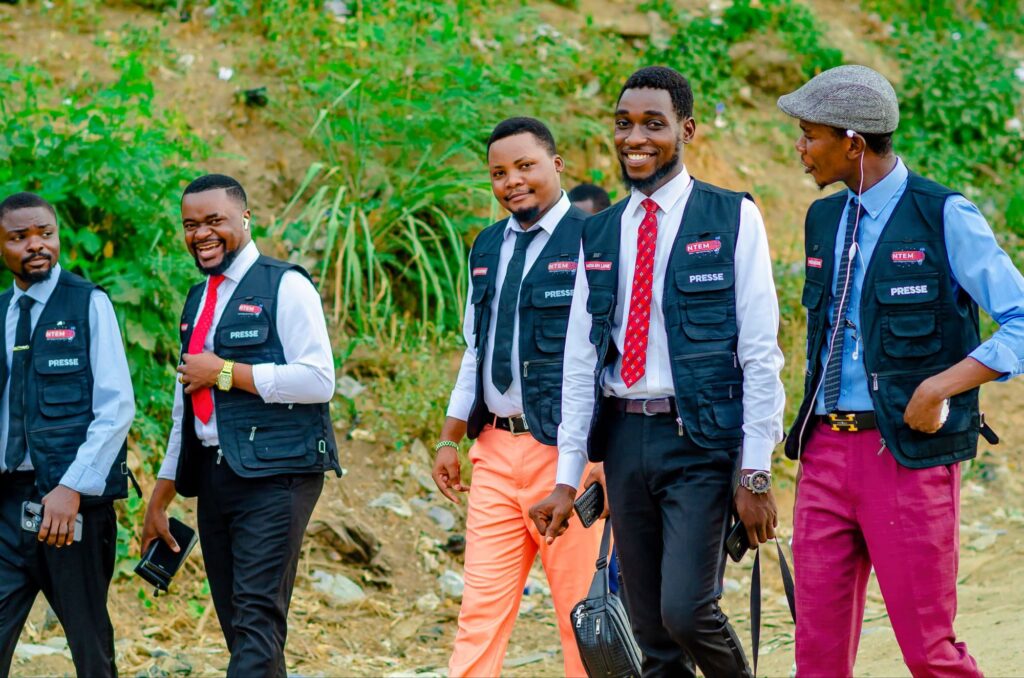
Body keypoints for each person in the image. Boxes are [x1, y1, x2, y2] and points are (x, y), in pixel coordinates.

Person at [532, 66, 785, 677]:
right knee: (650, 630)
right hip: (625, 442)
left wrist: (755, 471)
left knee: (687, 611)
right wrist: (567, 478)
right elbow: (580, 361)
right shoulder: (598, 232)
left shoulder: (732, 217)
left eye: (653, 124)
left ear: (686, 130)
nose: (635, 138)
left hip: (699, 440)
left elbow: (760, 352)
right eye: (624, 124)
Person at [778, 64, 1024, 678]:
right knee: (816, 658)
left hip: (908, 458)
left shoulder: (944, 215)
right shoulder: (823, 219)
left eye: (810, 135)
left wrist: (940, 387)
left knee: (929, 653)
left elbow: (1020, 319)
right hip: (824, 454)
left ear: (852, 143)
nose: (800, 147)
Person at [141, 174, 341, 678]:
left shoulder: (285, 285)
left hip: (278, 477)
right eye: (191, 225)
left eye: (214, 221)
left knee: (255, 620)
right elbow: (185, 406)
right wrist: (160, 497)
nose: (201, 234)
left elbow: (319, 379)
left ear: (245, 219)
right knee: (244, 628)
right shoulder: (197, 300)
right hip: (215, 477)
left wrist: (227, 372)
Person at [433, 117, 601, 678]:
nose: (512, 181)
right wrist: (449, 438)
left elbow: (610, 355)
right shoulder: (487, 245)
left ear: (557, 164)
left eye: (525, 166)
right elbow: (475, 349)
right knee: (479, 612)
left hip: (568, 456)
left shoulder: (595, 239)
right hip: (495, 454)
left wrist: (600, 458)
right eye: (499, 173)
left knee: (583, 615)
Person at [0, 192, 135, 678]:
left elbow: (116, 407)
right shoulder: (2, 312)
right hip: (6, 504)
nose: (36, 245)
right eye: (19, 237)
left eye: (45, 233)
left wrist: (71, 487)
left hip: (71, 506)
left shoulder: (88, 303)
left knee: (90, 645)